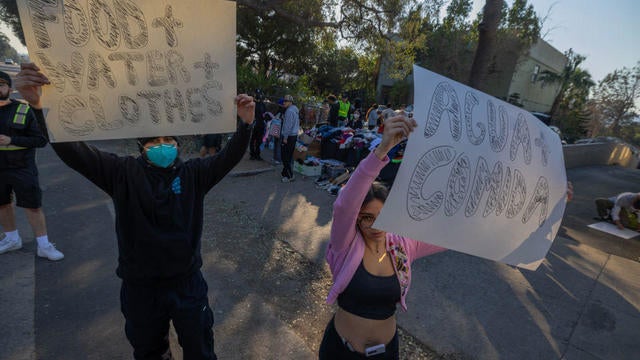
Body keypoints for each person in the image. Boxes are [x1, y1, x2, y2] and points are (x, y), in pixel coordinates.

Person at [15, 63, 255, 359]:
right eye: (154, 142)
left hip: (187, 283)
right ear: (142, 146)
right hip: (140, 286)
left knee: (200, 348)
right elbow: (74, 152)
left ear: (178, 145)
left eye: (169, 141)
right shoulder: (121, 173)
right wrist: (39, 107)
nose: (163, 146)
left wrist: (245, 125)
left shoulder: (194, 174)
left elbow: (228, 158)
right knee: (148, 350)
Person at [319, 115, 446, 359]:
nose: (375, 225)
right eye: (367, 217)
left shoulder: (404, 245)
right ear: (357, 219)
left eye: (381, 217)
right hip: (341, 352)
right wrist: (383, 149)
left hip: (387, 353)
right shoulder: (344, 244)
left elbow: (452, 235)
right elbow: (345, 206)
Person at [0, 70, 63, 261]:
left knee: (33, 206)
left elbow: (40, 140)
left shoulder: (24, 110)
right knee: (2, 205)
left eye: (1, 84)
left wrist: (11, 139)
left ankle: (44, 246)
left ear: (9, 88)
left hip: (22, 168)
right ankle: (12, 239)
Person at [280, 94, 299, 183]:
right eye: (284, 101)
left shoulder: (289, 111)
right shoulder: (295, 110)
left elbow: (288, 126)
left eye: (286, 101)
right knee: (288, 155)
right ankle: (284, 172)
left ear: (290, 102)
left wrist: (285, 137)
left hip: (289, 136)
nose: (284, 102)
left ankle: (290, 175)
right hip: (294, 135)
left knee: (285, 157)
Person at [249, 90, 267, 160]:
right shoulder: (252, 104)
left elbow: (265, 113)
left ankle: (257, 154)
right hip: (254, 124)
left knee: (259, 140)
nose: (259, 95)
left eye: (259, 94)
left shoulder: (263, 104)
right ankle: (252, 154)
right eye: (257, 94)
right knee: (253, 140)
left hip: (261, 125)